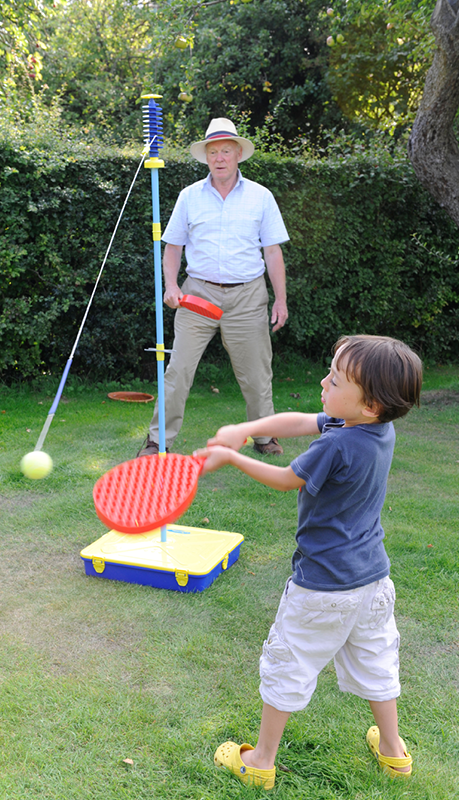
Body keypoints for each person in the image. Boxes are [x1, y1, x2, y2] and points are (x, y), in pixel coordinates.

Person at [195, 334, 422, 790]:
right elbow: (302, 420)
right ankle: (394, 752)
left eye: (335, 380)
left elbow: (285, 479)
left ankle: (259, 761)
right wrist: (247, 428)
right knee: (377, 659)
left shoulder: (337, 447)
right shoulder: (375, 429)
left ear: (370, 404)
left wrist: (232, 457)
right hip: (372, 581)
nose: (323, 381)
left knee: (289, 662)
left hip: (322, 586)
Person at [137, 118, 290, 457]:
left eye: (225, 151)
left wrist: (280, 299)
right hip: (197, 296)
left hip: (249, 296)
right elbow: (173, 247)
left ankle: (264, 436)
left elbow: (273, 250)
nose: (219, 158)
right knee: (177, 371)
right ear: (206, 157)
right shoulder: (189, 197)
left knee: (256, 375)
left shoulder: (261, 197)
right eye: (213, 152)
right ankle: (158, 440)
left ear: (238, 154)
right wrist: (172, 286)